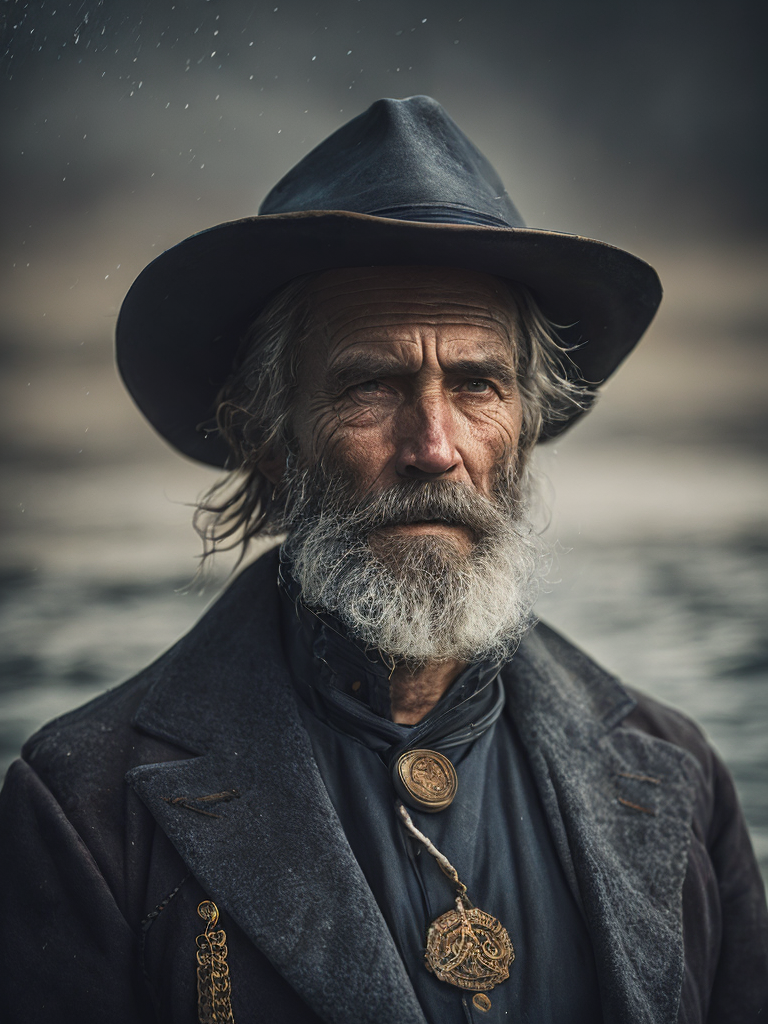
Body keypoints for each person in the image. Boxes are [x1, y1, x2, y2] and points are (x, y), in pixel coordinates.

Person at [0, 95, 765, 1024]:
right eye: (372, 385)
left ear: (521, 434)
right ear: (271, 438)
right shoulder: (83, 809)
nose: (435, 446)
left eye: (478, 384)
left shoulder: (679, 778)